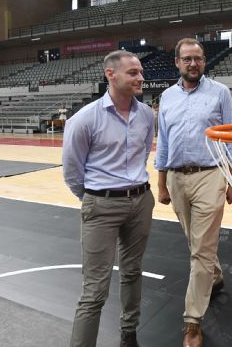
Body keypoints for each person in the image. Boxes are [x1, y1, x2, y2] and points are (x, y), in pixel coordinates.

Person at [63, 50, 155, 347]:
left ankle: (129, 334)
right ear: (110, 75)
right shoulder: (84, 119)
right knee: (94, 291)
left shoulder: (146, 115)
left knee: (132, 272)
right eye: (133, 73)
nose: (141, 77)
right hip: (101, 206)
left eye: (140, 72)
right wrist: (95, 198)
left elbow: (142, 154)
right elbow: (72, 171)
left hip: (141, 201)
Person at [155, 38, 232, 347]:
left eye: (199, 59)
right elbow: (163, 141)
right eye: (187, 59)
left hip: (211, 176)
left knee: (200, 250)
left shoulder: (220, 93)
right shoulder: (166, 97)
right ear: (177, 62)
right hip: (177, 178)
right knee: (196, 241)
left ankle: (192, 322)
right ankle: (215, 276)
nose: (193, 64)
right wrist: (161, 182)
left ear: (205, 61)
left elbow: (231, 137)